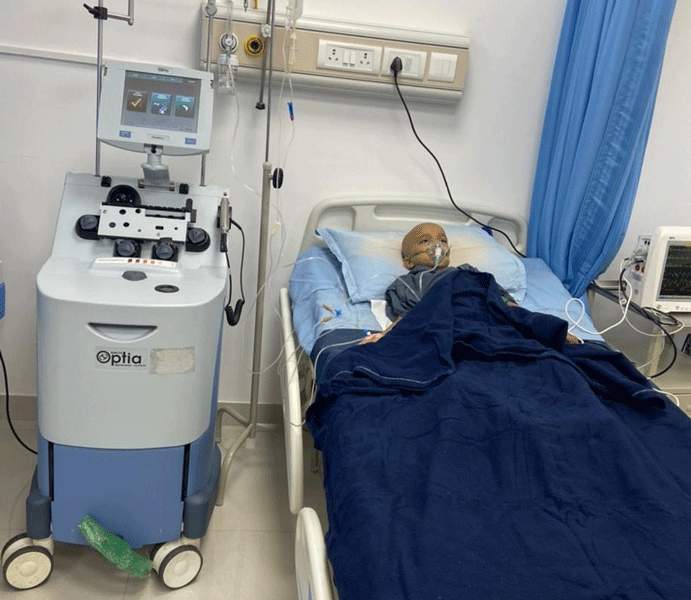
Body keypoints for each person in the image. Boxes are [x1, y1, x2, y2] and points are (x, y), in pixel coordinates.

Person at [360, 222, 581, 344]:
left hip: (492, 321)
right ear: (408, 261)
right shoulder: (409, 282)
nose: (437, 245)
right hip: (451, 326)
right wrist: (384, 336)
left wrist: (538, 325)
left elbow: (506, 305)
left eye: (442, 240)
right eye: (425, 241)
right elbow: (408, 317)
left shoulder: (469, 272)